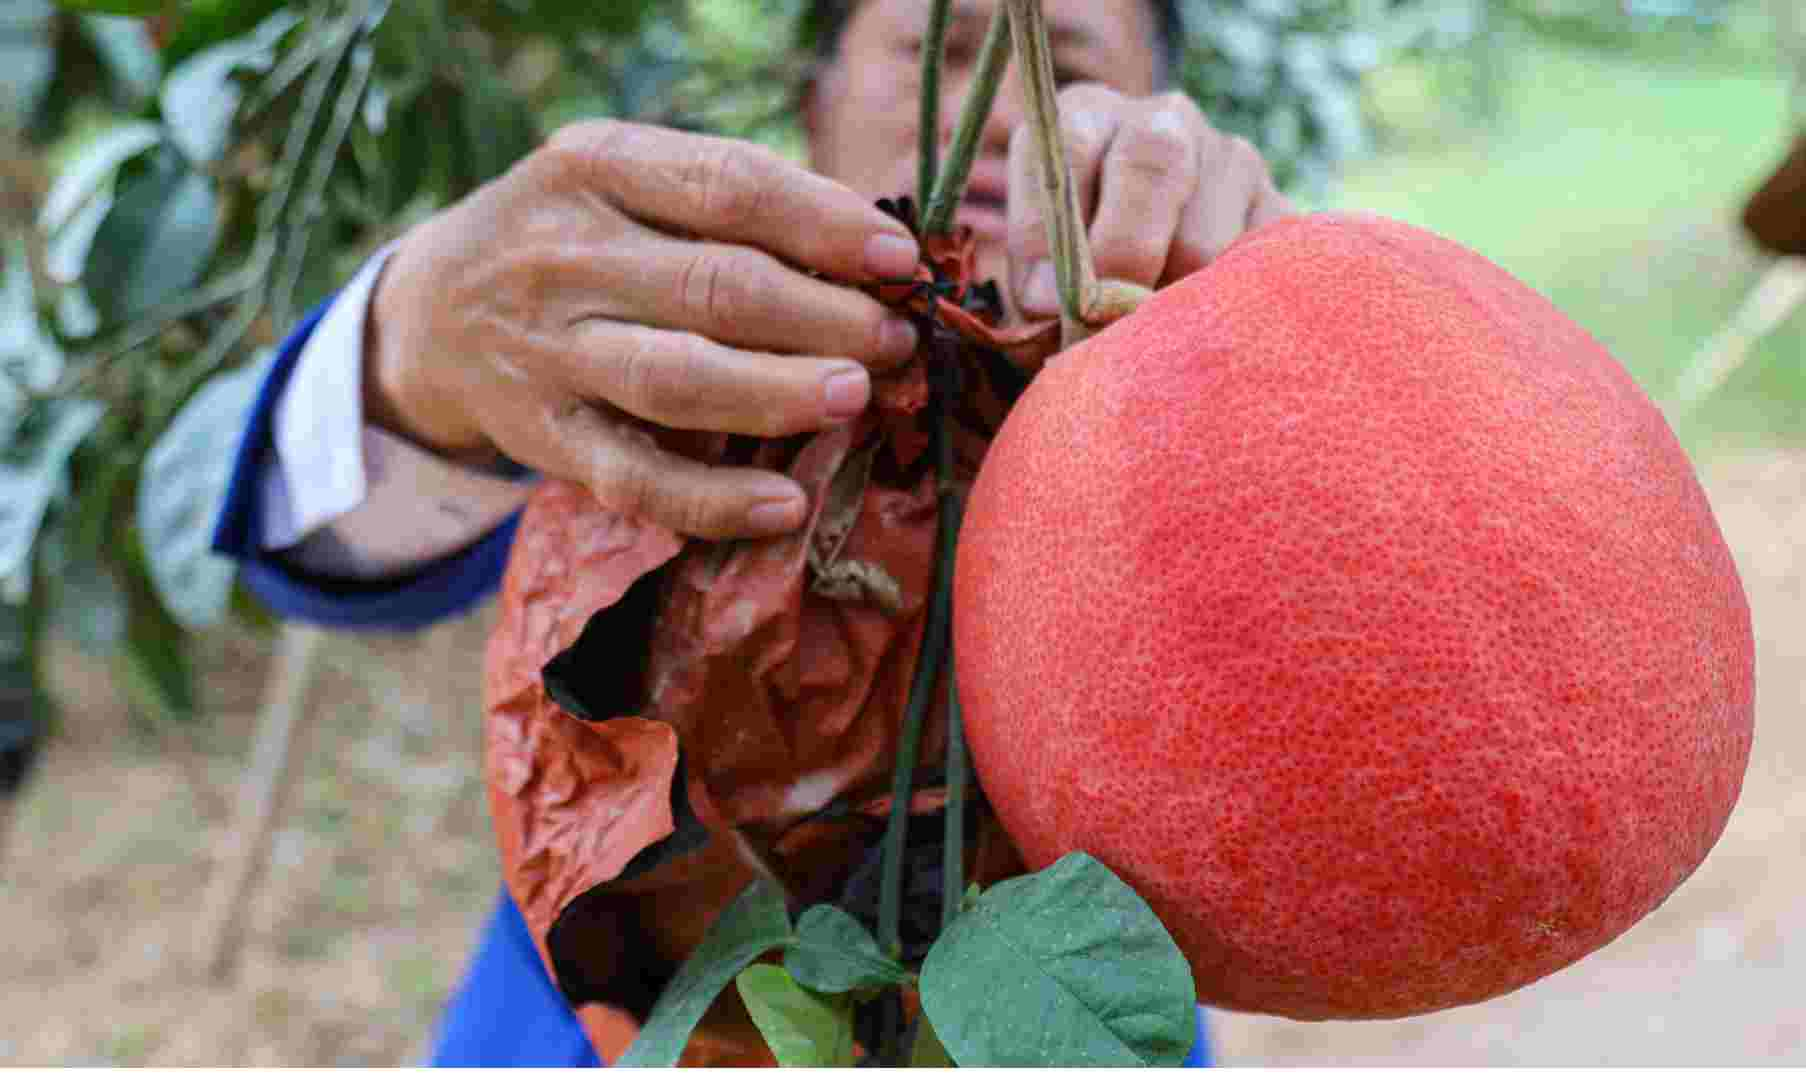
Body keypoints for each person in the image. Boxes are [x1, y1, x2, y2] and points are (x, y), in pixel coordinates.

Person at [214, 0, 1292, 1065]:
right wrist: (411, 350)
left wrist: (1275, 360)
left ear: (1164, 112)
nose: (1008, 111)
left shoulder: (1180, 399)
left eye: (1068, 71)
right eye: (943, 50)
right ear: (810, 92)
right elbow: (310, 546)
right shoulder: (686, 349)